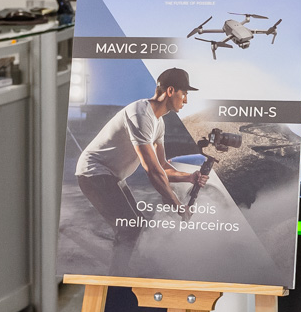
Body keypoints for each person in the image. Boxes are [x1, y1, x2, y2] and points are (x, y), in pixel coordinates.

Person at [74, 67, 204, 262]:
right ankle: (117, 275)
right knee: (129, 227)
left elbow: (162, 166)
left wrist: (190, 177)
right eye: (184, 93)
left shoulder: (159, 123)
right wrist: (178, 205)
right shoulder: (140, 115)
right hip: (94, 172)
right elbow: (152, 170)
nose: (185, 100)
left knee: (136, 224)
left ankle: (123, 266)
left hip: (111, 176)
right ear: (170, 91)